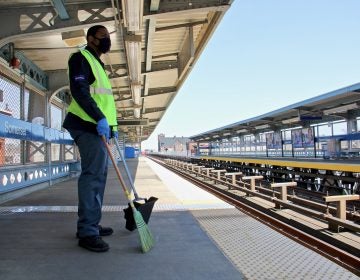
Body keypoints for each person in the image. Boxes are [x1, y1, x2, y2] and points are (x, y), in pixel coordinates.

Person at [63, 25, 118, 252]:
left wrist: (111, 126)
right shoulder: (81, 57)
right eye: (102, 36)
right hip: (86, 125)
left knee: (99, 176)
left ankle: (91, 223)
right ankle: (87, 232)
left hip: (97, 127)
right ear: (90, 39)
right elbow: (80, 91)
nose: (106, 40)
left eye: (108, 36)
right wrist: (99, 119)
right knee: (93, 176)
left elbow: (103, 101)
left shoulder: (98, 64)